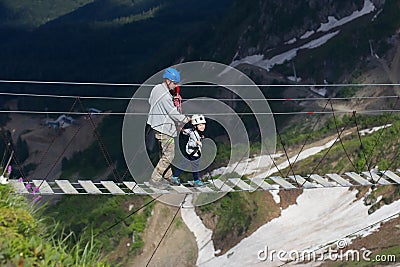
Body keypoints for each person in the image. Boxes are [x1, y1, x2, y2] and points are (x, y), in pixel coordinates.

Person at [147, 67, 190, 189]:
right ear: (168, 81)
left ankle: (168, 176)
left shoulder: (156, 89)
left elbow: (151, 101)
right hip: (165, 129)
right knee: (169, 155)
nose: (176, 86)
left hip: (156, 126)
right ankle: (155, 179)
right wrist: (185, 119)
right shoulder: (166, 96)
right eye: (174, 83)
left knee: (164, 153)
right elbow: (173, 113)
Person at [171, 114, 206, 187]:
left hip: (193, 153)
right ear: (195, 126)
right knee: (194, 168)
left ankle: (175, 177)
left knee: (185, 165)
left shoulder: (194, 132)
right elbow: (190, 143)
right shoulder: (193, 133)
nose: (202, 126)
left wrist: (182, 130)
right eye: (200, 125)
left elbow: (186, 131)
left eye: (203, 124)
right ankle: (196, 181)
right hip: (193, 154)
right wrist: (196, 143)